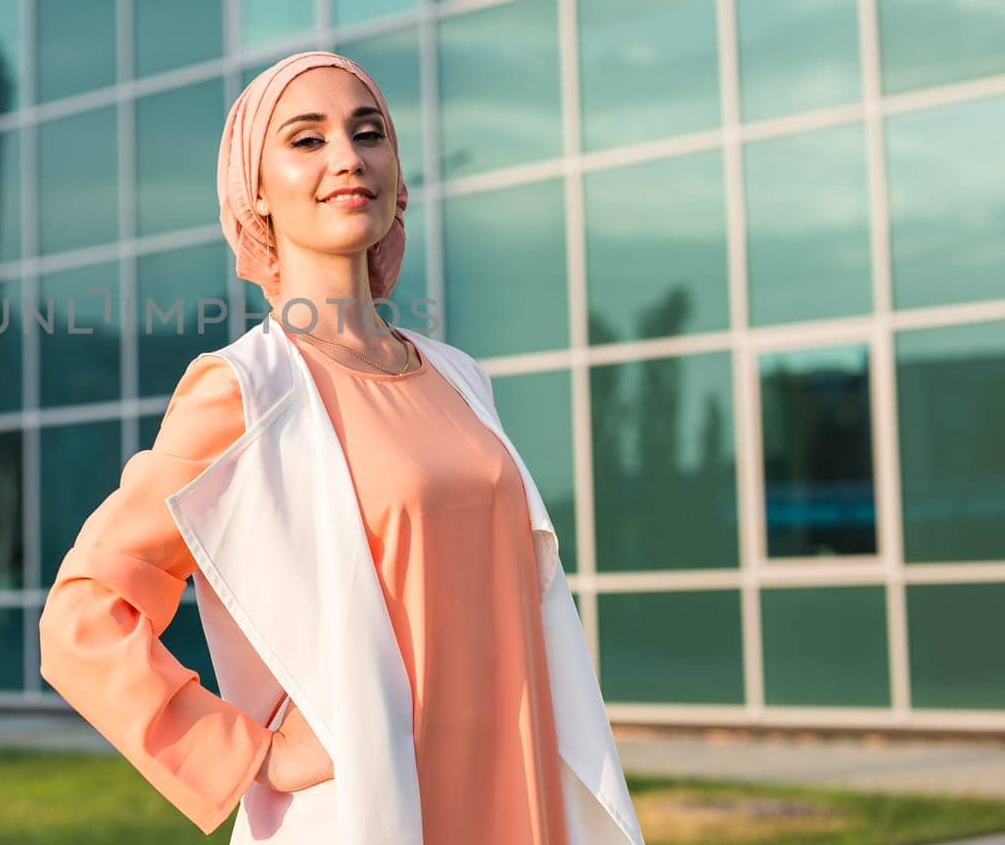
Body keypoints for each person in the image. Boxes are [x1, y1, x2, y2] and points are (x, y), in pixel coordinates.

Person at [38, 51, 642, 844]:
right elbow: (83, 615)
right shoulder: (244, 391)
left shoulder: (459, 378)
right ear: (255, 189)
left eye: (368, 133)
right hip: (378, 811)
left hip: (521, 795)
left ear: (397, 174)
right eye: (307, 139)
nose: (348, 157)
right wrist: (251, 752)